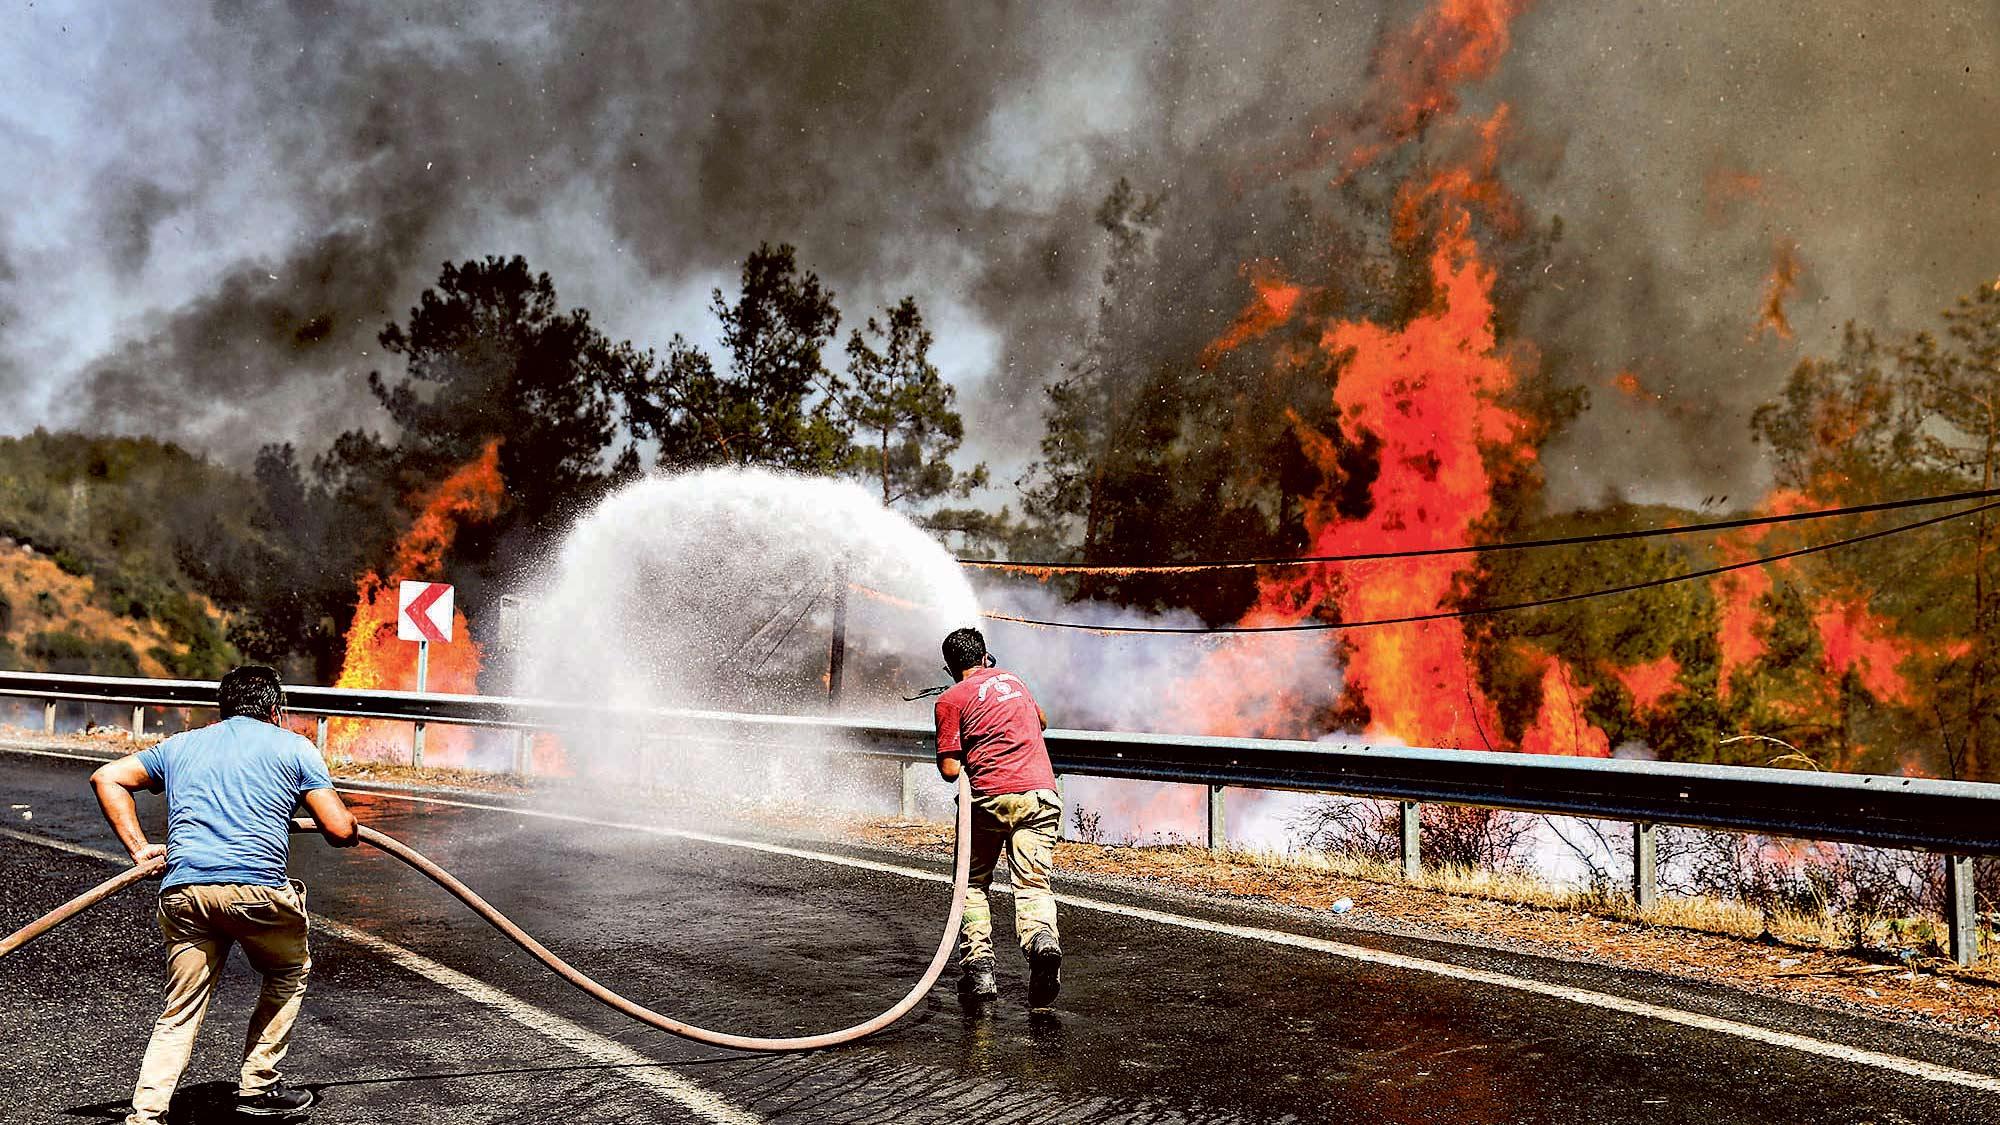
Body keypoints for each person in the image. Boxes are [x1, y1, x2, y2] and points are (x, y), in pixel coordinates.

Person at [90, 665, 360, 1123]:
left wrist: (139, 850)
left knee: (181, 1007)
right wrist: (351, 826)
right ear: (276, 710)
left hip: (185, 893)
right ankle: (258, 1087)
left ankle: (146, 1112)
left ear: (223, 708)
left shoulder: (182, 744)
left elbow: (107, 777)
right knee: (288, 971)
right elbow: (336, 828)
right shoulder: (295, 746)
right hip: (256, 895)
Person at [932, 626, 1064, 1009]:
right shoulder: (1015, 681)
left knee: (972, 883)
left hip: (990, 799)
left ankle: (980, 971)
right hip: (1041, 795)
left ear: (949, 666)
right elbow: (1041, 722)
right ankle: (1042, 943)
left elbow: (951, 770)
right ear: (986, 655)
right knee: (1034, 884)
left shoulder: (950, 699)